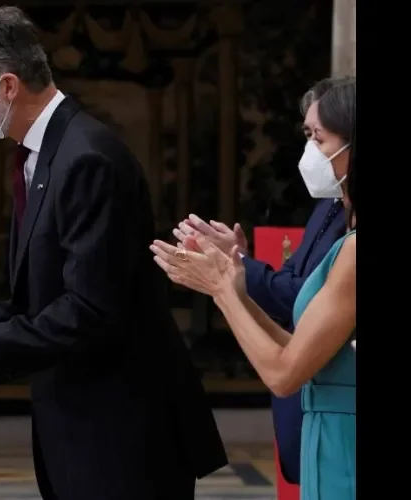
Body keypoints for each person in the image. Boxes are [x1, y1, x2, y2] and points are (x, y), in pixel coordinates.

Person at [0, 6, 227, 499]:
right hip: (81, 429)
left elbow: (89, 309)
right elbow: (39, 296)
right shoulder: (42, 152)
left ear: (8, 86)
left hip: (121, 437)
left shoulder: (85, 158)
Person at [150, 79, 356, 500]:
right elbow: (301, 349)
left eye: (319, 137)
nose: (310, 150)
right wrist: (234, 290)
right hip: (327, 431)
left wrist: (224, 289)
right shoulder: (342, 232)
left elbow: (283, 375)